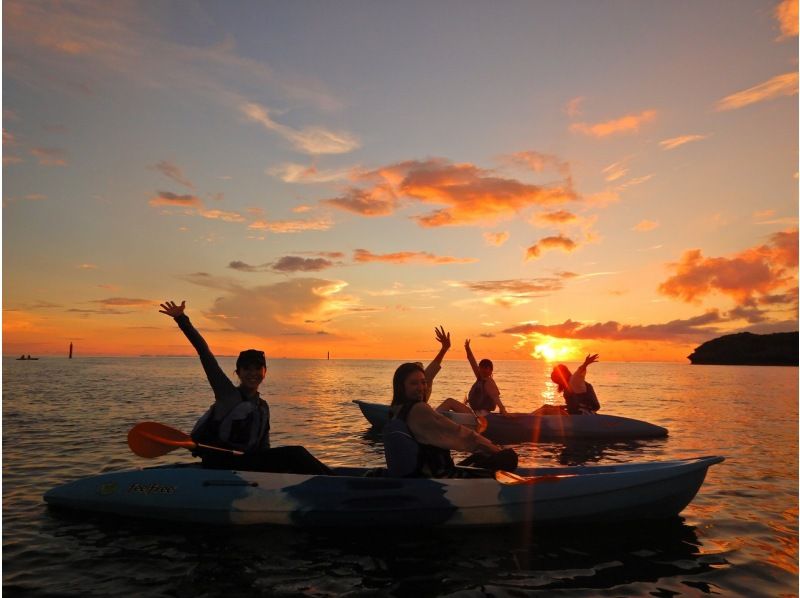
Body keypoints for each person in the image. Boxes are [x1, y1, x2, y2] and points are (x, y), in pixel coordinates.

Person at [158, 300, 330, 474]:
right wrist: (181, 318)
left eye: (257, 368)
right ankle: (335, 482)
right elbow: (205, 354)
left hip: (249, 465)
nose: (252, 373)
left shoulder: (262, 406)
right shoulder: (227, 395)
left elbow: (264, 446)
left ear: (265, 372)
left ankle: (332, 479)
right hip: (223, 464)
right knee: (297, 453)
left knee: (292, 459)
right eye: (247, 369)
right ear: (238, 372)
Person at [383, 362, 517, 478]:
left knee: (480, 457)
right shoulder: (419, 409)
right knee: (509, 457)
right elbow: (459, 433)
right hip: (438, 479)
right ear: (401, 386)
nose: (421, 388)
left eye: (423, 382)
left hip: (418, 475)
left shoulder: (396, 411)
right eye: (414, 383)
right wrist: (495, 449)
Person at [424, 326, 473, 415]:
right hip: (425, 421)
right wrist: (444, 349)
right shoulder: (410, 403)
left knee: (450, 402)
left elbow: (430, 372)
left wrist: (445, 348)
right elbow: (429, 374)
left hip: (426, 417)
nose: (420, 385)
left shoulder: (421, 388)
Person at [464, 339, 508, 416]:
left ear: (491, 370)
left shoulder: (488, 381)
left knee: (449, 402)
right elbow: (472, 362)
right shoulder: (480, 378)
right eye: (482, 368)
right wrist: (467, 349)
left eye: (486, 368)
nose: (484, 370)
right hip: (476, 413)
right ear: (479, 368)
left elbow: (495, 397)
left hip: (481, 415)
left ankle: (436, 419)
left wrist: (503, 410)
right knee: (450, 402)